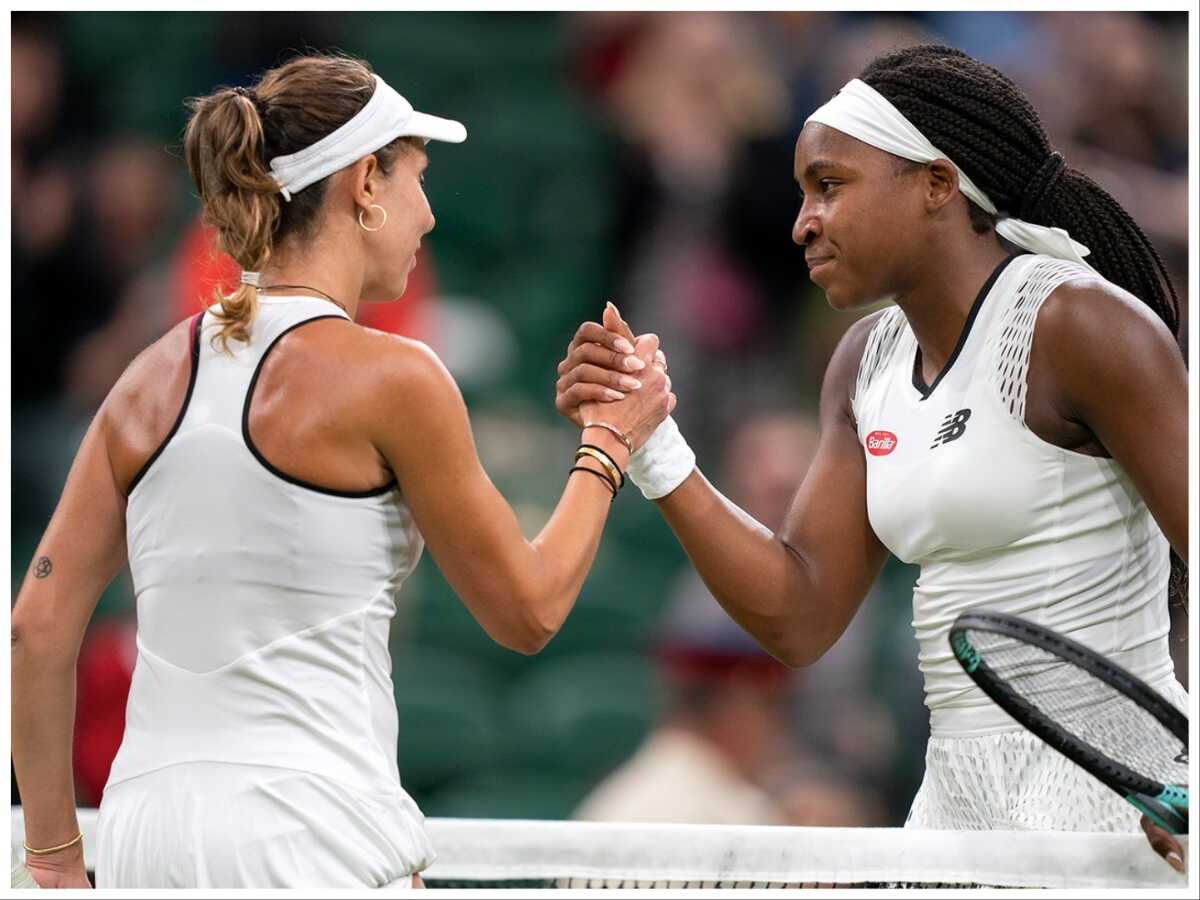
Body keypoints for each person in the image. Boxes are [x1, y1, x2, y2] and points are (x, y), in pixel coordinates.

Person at [10, 53, 673, 889]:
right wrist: (608, 443)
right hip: (312, 833)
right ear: (365, 183)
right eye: (417, 179)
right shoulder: (396, 378)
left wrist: (54, 854)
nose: (428, 216)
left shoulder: (143, 380)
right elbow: (529, 609)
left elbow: (34, 628)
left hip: (144, 841)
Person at [555, 44, 1187, 873]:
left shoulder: (1080, 325)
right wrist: (655, 447)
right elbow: (799, 616)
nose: (802, 221)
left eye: (830, 185)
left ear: (935, 185)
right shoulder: (864, 361)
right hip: (953, 807)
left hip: (1126, 811)